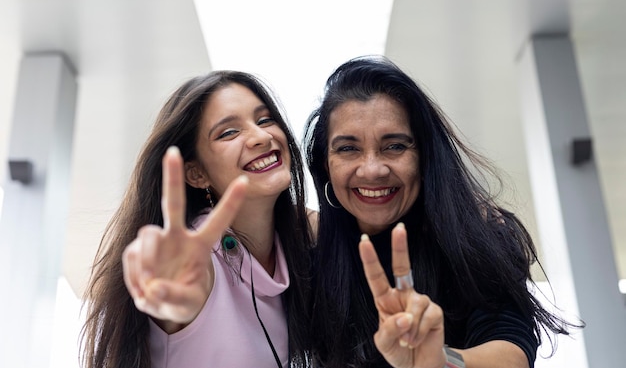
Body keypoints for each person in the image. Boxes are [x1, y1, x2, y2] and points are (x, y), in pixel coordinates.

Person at [303, 55, 580, 368]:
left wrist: (439, 361)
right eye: (348, 148)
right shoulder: (308, 257)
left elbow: (511, 354)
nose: (372, 170)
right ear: (326, 164)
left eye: (394, 146)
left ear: (424, 156)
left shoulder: (478, 235)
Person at [80, 71, 314, 368]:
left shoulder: (296, 235)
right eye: (228, 132)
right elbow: (180, 289)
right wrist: (170, 295)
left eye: (265, 119)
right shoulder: (199, 257)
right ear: (196, 173)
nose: (261, 137)